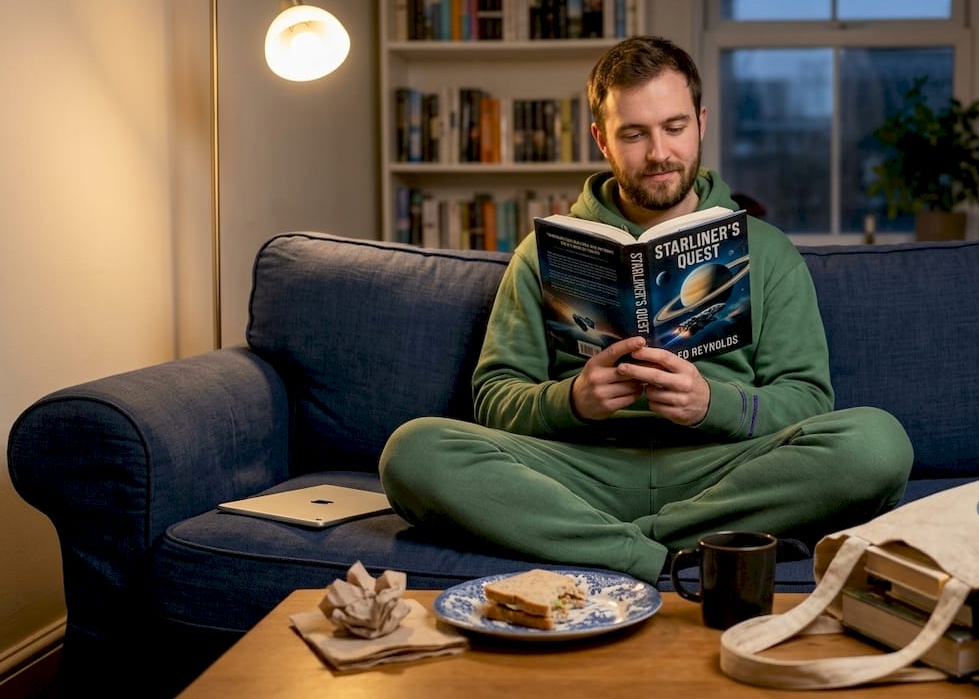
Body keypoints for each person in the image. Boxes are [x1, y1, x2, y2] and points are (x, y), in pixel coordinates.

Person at [379, 35, 913, 585]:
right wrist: (575, 401)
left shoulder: (766, 250)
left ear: (701, 123)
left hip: (723, 471)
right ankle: (663, 557)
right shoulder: (542, 253)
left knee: (877, 443)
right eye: (633, 134)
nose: (659, 153)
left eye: (674, 127)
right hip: (579, 472)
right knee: (413, 452)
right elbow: (493, 399)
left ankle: (608, 541)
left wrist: (712, 404)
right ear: (601, 141)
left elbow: (808, 399)